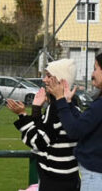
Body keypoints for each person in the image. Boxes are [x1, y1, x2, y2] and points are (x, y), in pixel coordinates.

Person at [7, 58, 80, 190]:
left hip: (55, 180)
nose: (44, 80)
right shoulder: (71, 104)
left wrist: (23, 115)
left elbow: (38, 142)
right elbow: (46, 131)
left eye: (49, 76)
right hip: (68, 178)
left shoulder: (57, 108)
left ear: (61, 81)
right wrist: (36, 110)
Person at [50, 53, 102, 190]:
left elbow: (75, 131)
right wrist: (68, 103)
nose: (92, 74)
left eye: (95, 68)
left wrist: (60, 100)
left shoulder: (99, 105)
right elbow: (85, 123)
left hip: (95, 176)